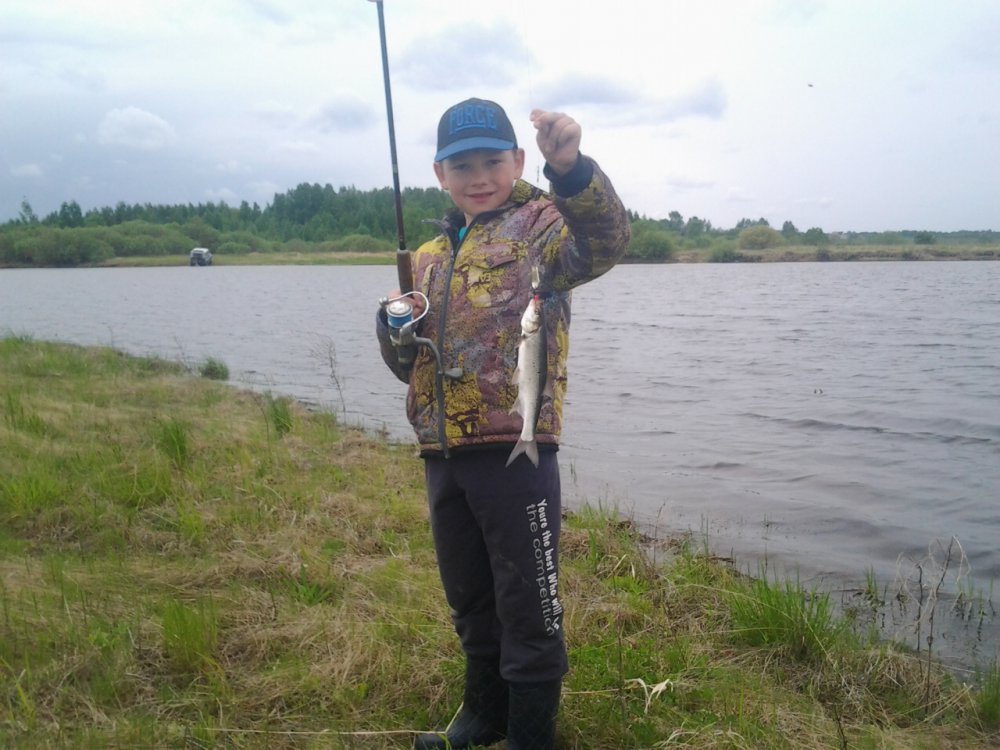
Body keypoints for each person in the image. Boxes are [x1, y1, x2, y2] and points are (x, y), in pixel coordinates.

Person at [376, 97, 630, 750]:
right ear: (440, 174)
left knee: (529, 605)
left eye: (492, 161)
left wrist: (570, 171)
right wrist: (391, 328)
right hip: (442, 453)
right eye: (462, 166)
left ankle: (530, 735)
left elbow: (605, 242)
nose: (479, 176)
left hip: (515, 449)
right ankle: (483, 714)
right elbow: (407, 367)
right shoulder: (428, 257)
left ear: (518, 160)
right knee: (470, 596)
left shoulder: (543, 227)